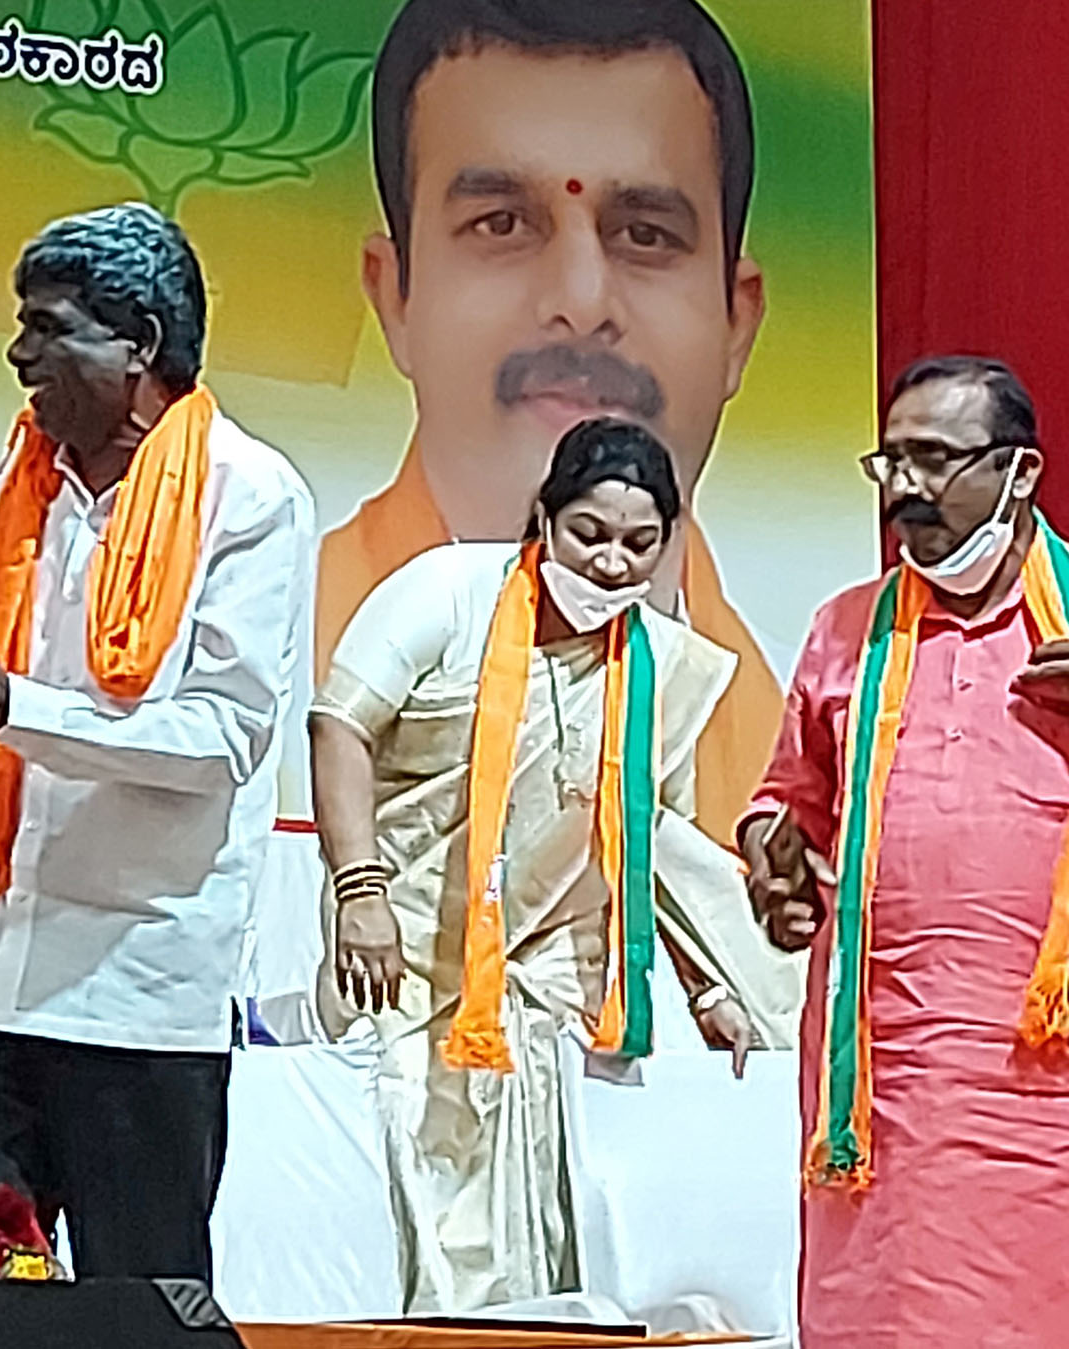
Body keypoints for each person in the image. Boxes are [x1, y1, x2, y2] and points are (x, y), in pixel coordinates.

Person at [0, 203, 315, 1279]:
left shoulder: (250, 498)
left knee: (134, 1305)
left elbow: (219, 740)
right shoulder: (16, 490)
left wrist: (5, 705)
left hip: (136, 995)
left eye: (48, 328)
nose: (19, 355)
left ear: (139, 343)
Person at [314, 417, 767, 1313]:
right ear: (544, 517)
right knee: (415, 1203)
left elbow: (648, 842)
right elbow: (340, 724)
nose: (611, 564)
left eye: (639, 544)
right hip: (406, 958)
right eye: (589, 533)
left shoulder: (656, 665)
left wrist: (709, 987)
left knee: (540, 1220)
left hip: (553, 985)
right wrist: (359, 890)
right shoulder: (450, 590)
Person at [321, 0, 782, 847]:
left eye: (645, 234)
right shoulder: (298, 638)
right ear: (395, 298)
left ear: (738, 324)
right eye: (501, 224)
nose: (581, 300)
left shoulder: (785, 737)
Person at [745, 356, 1069, 1347]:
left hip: (1041, 1085)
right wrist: (772, 857)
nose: (903, 487)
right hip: (880, 1082)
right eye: (890, 460)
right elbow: (787, 799)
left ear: (1020, 472)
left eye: (933, 459)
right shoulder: (846, 628)